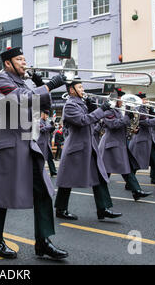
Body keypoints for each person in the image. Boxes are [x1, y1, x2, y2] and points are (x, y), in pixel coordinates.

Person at [0, 46, 68, 260]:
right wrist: (49, 84)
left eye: (24, 59)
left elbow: (43, 106)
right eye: (19, 59)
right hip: (8, 145)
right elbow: (21, 99)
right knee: (0, 196)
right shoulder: (2, 82)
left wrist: (39, 83)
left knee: (43, 192)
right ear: (8, 63)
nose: (24, 63)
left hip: (27, 143)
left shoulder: (23, 82)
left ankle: (43, 242)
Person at [55, 78, 122, 221]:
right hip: (76, 148)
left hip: (89, 146)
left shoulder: (82, 103)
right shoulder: (70, 105)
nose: (82, 90)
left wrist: (97, 109)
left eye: (82, 87)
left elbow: (94, 119)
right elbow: (83, 121)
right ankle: (61, 209)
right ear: (72, 90)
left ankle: (103, 209)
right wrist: (100, 110)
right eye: (79, 87)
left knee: (99, 176)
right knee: (67, 180)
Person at [98, 88, 152, 201]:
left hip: (119, 144)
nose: (122, 101)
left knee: (126, 169)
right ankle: (100, 195)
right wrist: (127, 118)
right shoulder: (108, 111)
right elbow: (113, 125)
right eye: (120, 99)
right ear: (115, 99)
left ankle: (136, 191)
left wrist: (130, 119)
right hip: (110, 145)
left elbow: (123, 125)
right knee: (106, 172)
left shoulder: (118, 111)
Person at [37, 110, 57, 177]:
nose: (47, 116)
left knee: (50, 158)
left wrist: (53, 127)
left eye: (48, 115)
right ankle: (40, 172)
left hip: (47, 143)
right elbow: (42, 129)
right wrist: (50, 126)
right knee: (41, 159)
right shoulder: (38, 121)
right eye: (46, 115)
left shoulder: (47, 122)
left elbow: (50, 131)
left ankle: (53, 172)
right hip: (41, 143)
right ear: (42, 114)